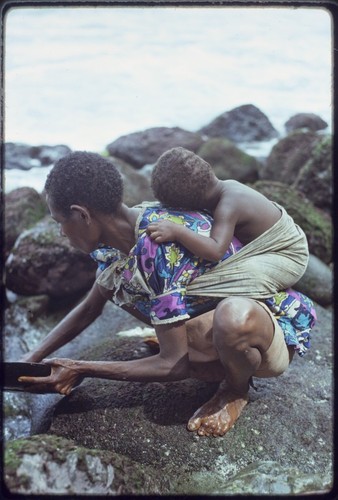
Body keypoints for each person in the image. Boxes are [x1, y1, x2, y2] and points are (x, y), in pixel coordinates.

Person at [19, 151, 316, 437]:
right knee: (118, 283)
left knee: (231, 317)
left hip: (264, 332)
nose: (61, 232)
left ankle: (235, 388)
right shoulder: (123, 241)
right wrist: (33, 356)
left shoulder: (157, 247)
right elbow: (89, 308)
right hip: (214, 321)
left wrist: (82, 368)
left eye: (60, 222)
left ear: (82, 215)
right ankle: (205, 354)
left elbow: (173, 365)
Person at [148, 147, 309, 294]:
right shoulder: (225, 187)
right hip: (277, 244)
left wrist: (178, 231)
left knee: (233, 279)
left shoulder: (228, 206)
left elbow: (215, 251)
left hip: (287, 255)